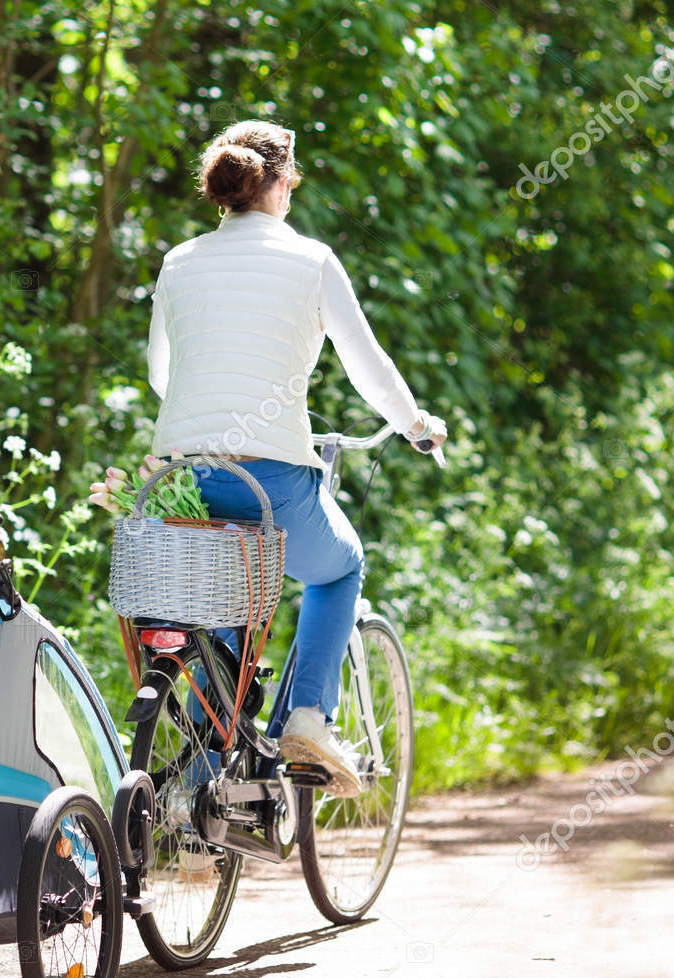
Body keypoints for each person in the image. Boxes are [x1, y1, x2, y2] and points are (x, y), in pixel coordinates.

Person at [132, 120, 445, 797]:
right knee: (341, 566)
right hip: (269, 478)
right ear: (279, 184)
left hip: (180, 482)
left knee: (226, 616)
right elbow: (369, 368)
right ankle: (309, 717)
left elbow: (162, 372)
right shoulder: (312, 260)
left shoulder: (179, 261)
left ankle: (201, 795)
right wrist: (414, 422)